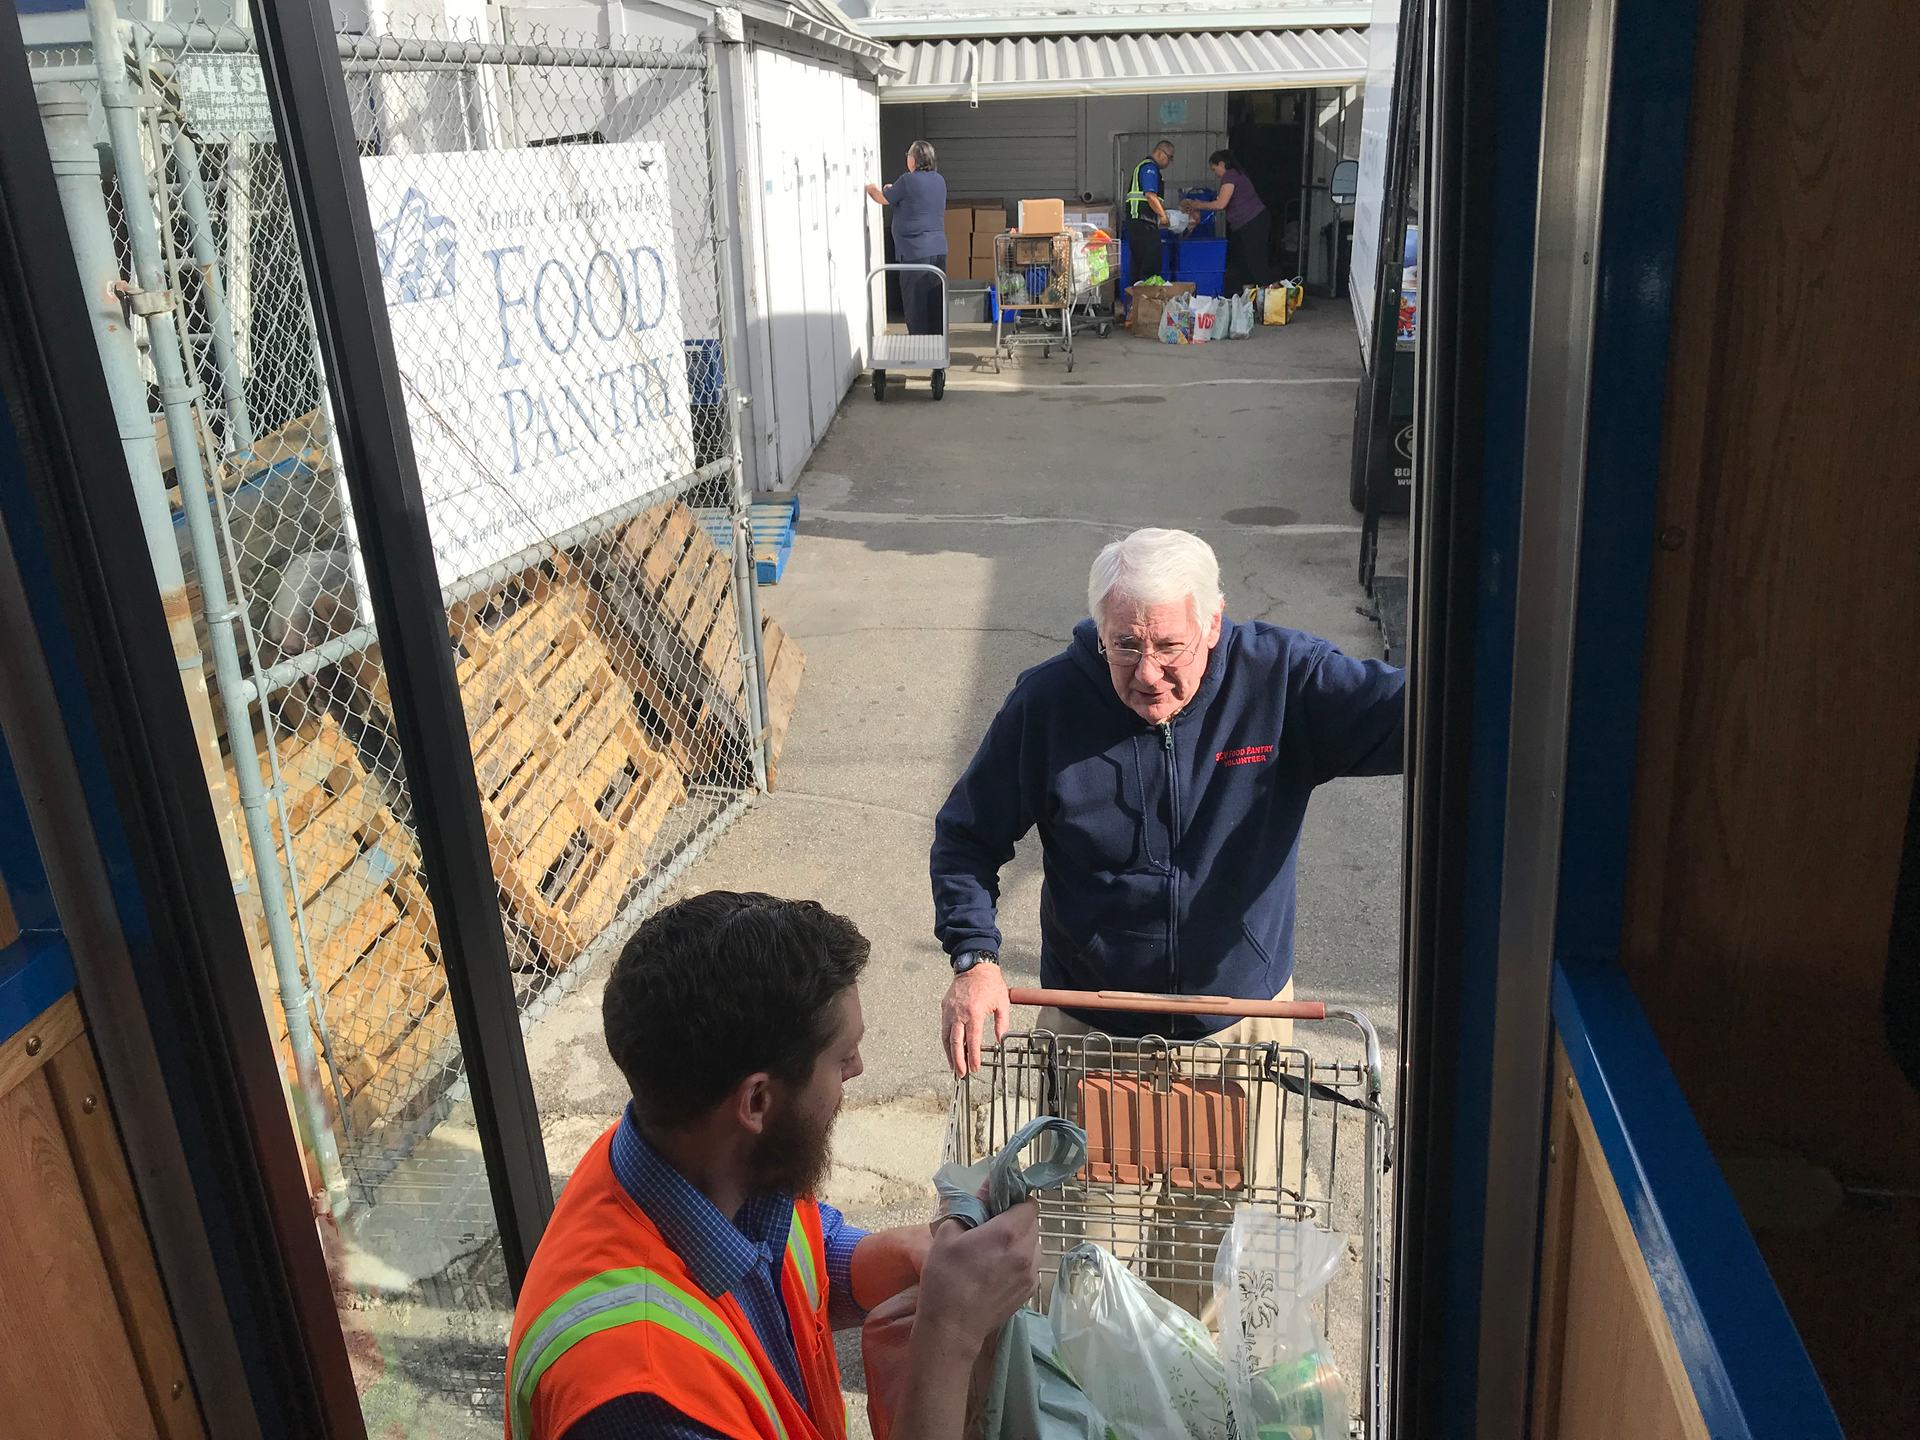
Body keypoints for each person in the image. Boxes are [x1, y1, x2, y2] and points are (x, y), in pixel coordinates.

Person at [507, 891, 1041, 1440]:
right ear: (756, 1101)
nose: (858, 1068)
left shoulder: (684, 1150)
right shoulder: (641, 1401)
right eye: (841, 1055)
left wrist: (916, 1256)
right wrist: (949, 1338)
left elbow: (794, 1254)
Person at [930, 528, 1405, 1075]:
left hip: (1241, 1024)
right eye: (1125, 646)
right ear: (1101, 632)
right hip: (1091, 1025)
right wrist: (975, 960)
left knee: (1251, 1166)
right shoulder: (1048, 704)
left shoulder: (1283, 681)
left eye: (1168, 646)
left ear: (1213, 624)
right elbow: (967, 837)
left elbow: (1416, 713)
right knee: (1082, 1166)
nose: (1148, 673)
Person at [866, 141, 948, 353]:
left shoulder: (908, 180)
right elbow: (917, 199)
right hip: (938, 250)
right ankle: (938, 349)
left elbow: (882, 198)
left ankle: (922, 351)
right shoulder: (938, 180)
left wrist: (869, 187)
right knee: (935, 303)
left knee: (915, 305)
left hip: (915, 253)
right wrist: (895, 190)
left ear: (913, 160)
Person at [1183, 150, 1272, 293]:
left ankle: (1271, 299)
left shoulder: (1230, 176)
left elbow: (1220, 204)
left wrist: (1198, 204)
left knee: (1256, 263)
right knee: (1244, 264)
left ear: (1222, 164)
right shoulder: (1236, 175)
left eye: (1214, 169)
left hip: (1253, 222)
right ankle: (1248, 300)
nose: (1215, 173)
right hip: (1246, 225)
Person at [1121, 139, 1175, 314]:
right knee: (1151, 258)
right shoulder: (1149, 168)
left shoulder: (1147, 168)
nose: (1169, 163)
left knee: (1139, 263)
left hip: (1140, 221)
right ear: (1160, 152)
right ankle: (1148, 306)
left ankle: (1135, 310)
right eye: (1170, 158)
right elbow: (1150, 196)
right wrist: (1163, 216)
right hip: (1142, 220)